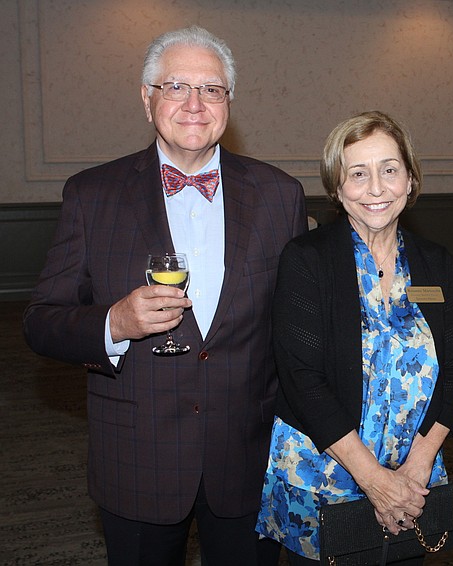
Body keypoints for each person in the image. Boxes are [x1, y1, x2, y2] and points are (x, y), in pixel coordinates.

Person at [22, 26, 307, 565]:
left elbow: (294, 329)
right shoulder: (92, 195)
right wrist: (114, 323)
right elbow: (40, 321)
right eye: (176, 87)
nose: (195, 104)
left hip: (246, 456)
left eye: (212, 89)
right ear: (146, 97)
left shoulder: (279, 194)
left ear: (229, 102)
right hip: (138, 455)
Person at [255, 111, 453, 564]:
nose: (376, 188)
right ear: (336, 188)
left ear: (410, 180)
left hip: (414, 481)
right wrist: (375, 481)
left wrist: (417, 467)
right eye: (358, 173)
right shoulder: (307, 260)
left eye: (389, 170)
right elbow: (302, 380)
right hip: (326, 476)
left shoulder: (435, 263)